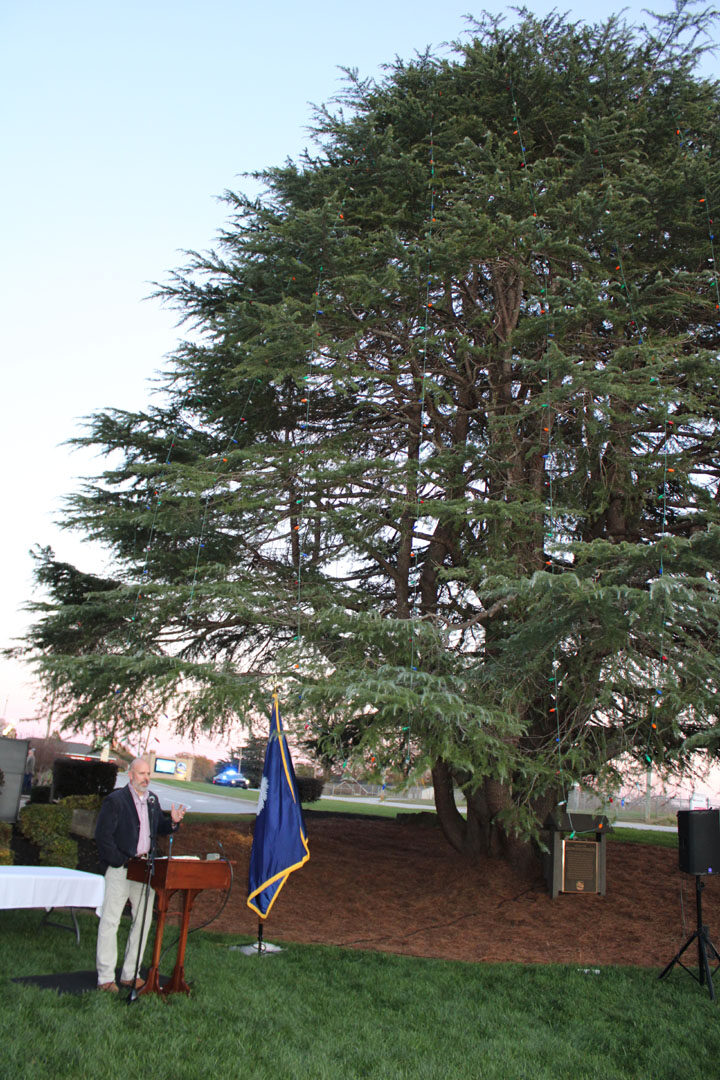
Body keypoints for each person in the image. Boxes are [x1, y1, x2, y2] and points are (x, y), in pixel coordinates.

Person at [94, 756, 186, 992]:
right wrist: (119, 861)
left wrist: (172, 823)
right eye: (142, 774)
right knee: (110, 921)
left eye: (148, 774)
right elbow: (103, 837)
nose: (147, 778)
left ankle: (130, 974)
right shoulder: (115, 801)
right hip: (121, 869)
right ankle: (105, 978)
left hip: (145, 870)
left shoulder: (152, 801)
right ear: (131, 775)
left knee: (143, 921)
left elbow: (157, 827)